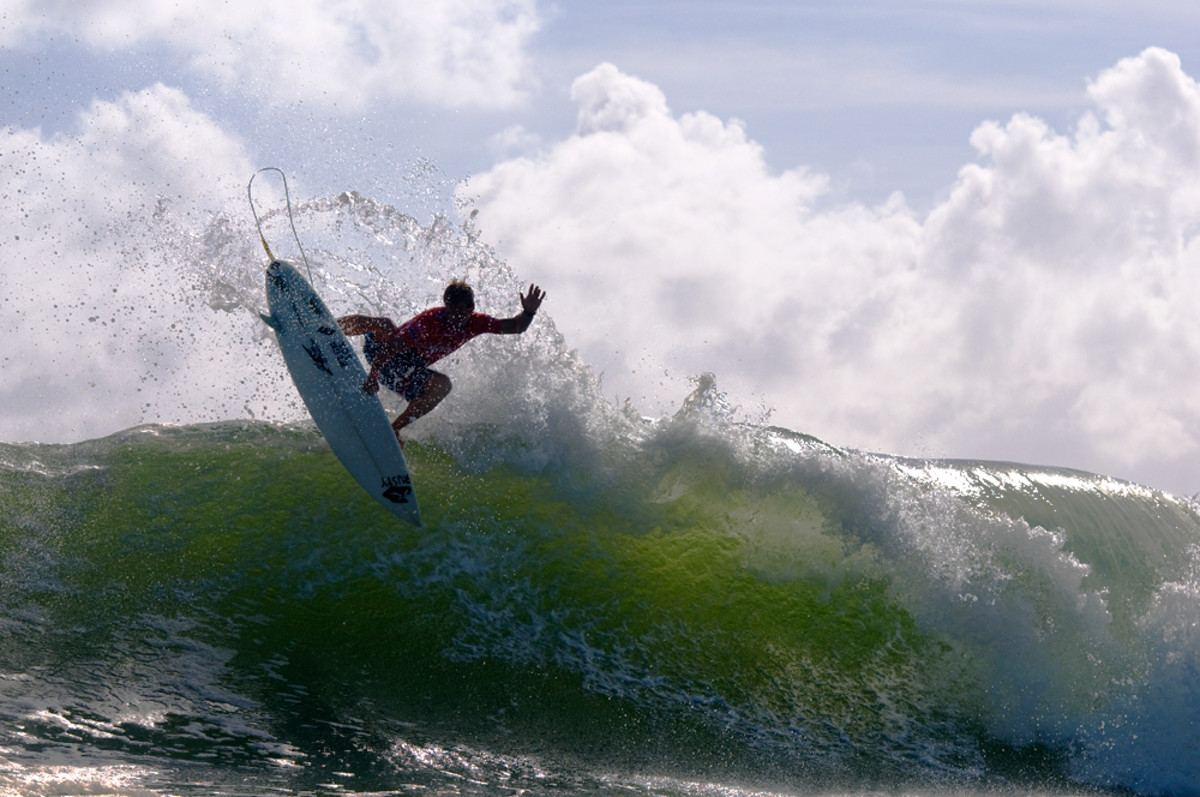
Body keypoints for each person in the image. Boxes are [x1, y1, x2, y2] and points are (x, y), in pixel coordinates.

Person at [337, 280, 545, 443]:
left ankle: (394, 430)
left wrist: (529, 312)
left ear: (471, 309)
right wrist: (373, 376)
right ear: (446, 306)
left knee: (443, 385)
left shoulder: (475, 323)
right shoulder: (430, 322)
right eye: (454, 311)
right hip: (381, 354)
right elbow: (391, 348)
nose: (458, 318)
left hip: (404, 373)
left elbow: (516, 327)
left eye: (464, 311)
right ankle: (328, 327)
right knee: (384, 324)